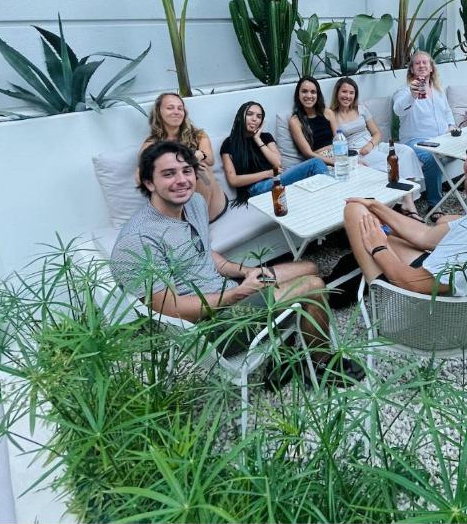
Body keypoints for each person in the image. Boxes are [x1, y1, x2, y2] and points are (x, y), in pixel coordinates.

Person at [111, 141, 362, 379]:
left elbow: (203, 254)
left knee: (310, 266)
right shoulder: (138, 240)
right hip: (212, 328)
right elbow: (168, 309)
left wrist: (247, 272)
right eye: (168, 174)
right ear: (149, 183)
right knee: (313, 286)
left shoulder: (194, 204)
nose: (181, 180)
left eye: (186, 171)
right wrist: (238, 294)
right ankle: (319, 365)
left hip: (230, 294)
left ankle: (282, 355)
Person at [343, 120, 467, 299]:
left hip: (420, 319)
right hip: (458, 311)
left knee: (355, 212)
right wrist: (376, 206)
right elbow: (425, 237)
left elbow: (413, 283)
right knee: (387, 232)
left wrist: (378, 247)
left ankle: (368, 298)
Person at [330, 77, 424, 218]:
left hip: (374, 145)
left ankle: (402, 199)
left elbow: (377, 133)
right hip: (358, 152)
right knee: (392, 163)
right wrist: (362, 151)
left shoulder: (361, 109)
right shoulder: (332, 114)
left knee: (406, 151)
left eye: (351, 93)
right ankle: (409, 205)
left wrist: (370, 144)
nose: (347, 96)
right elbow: (338, 141)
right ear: (337, 92)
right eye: (344, 92)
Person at [140, 92, 228, 222]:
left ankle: (198, 221)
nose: (176, 111)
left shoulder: (198, 135)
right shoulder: (151, 144)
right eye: (170, 108)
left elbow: (210, 160)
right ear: (159, 112)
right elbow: (140, 177)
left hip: (212, 200)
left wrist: (200, 154)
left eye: (180, 108)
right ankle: (187, 220)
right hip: (176, 200)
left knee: (200, 169)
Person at [220, 101, 328, 205]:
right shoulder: (229, 143)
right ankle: (332, 201)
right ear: (240, 117)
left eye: (259, 116)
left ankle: (328, 201)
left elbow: (277, 163)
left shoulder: (265, 137)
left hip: (275, 180)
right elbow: (233, 180)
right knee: (315, 163)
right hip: (254, 189)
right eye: (249, 114)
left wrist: (257, 139)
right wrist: (267, 173)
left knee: (317, 169)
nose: (254, 119)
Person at [392, 51, 458, 210]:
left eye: (425, 63)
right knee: (432, 157)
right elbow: (398, 110)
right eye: (417, 63)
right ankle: (435, 205)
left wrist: (451, 125)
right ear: (412, 70)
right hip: (416, 141)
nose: (421, 65)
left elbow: (447, 112)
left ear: (431, 68)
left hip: (441, 138)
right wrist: (412, 95)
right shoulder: (404, 92)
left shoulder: (438, 91)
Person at [288, 76, 338, 167]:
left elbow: (339, 140)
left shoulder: (328, 112)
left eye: (313, 92)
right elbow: (308, 153)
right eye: (304, 91)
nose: (309, 96)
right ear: (298, 95)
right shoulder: (295, 121)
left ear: (317, 95)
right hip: (317, 161)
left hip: (337, 155)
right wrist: (332, 162)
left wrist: (345, 159)